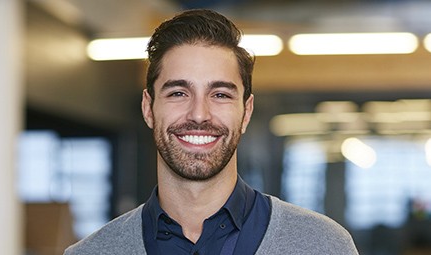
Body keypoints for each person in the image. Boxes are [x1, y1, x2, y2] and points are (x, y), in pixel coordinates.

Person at [64, 9, 359, 255]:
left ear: (246, 113)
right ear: (148, 108)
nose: (199, 114)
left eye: (220, 95)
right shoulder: (92, 252)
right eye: (178, 93)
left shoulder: (323, 245)